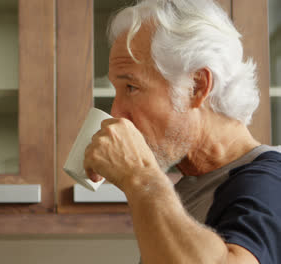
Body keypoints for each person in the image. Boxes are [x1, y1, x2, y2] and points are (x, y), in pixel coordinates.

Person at [83, 0, 281, 263]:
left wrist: (140, 176)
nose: (117, 113)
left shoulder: (269, 181)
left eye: (131, 87)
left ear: (196, 87)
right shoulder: (188, 187)